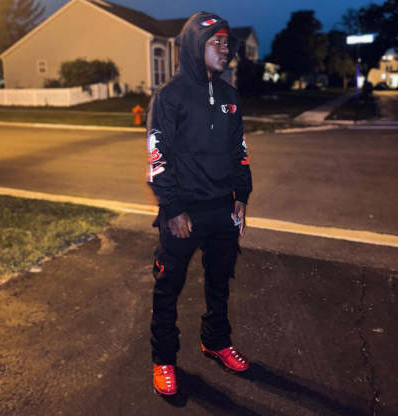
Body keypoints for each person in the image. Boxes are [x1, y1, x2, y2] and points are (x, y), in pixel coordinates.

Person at [146, 11, 253, 396]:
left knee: (220, 282)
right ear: (195, 46)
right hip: (183, 211)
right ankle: (163, 360)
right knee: (168, 287)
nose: (225, 49)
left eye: (227, 42)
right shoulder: (169, 96)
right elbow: (157, 157)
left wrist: (241, 196)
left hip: (222, 208)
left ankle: (216, 341)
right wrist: (173, 208)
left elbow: (240, 150)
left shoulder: (229, 96)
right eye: (216, 42)